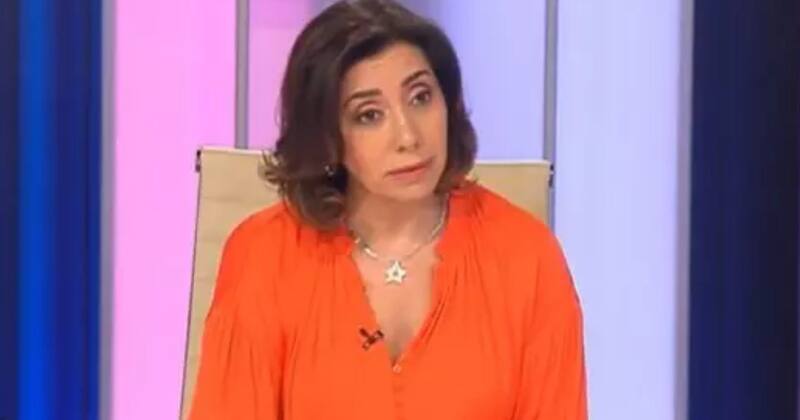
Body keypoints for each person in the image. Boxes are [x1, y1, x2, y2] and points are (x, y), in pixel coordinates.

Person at [189, 0, 587, 418]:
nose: (408, 136)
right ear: (327, 138)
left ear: (448, 103)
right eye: (369, 115)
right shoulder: (263, 256)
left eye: (420, 97)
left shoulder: (528, 258)